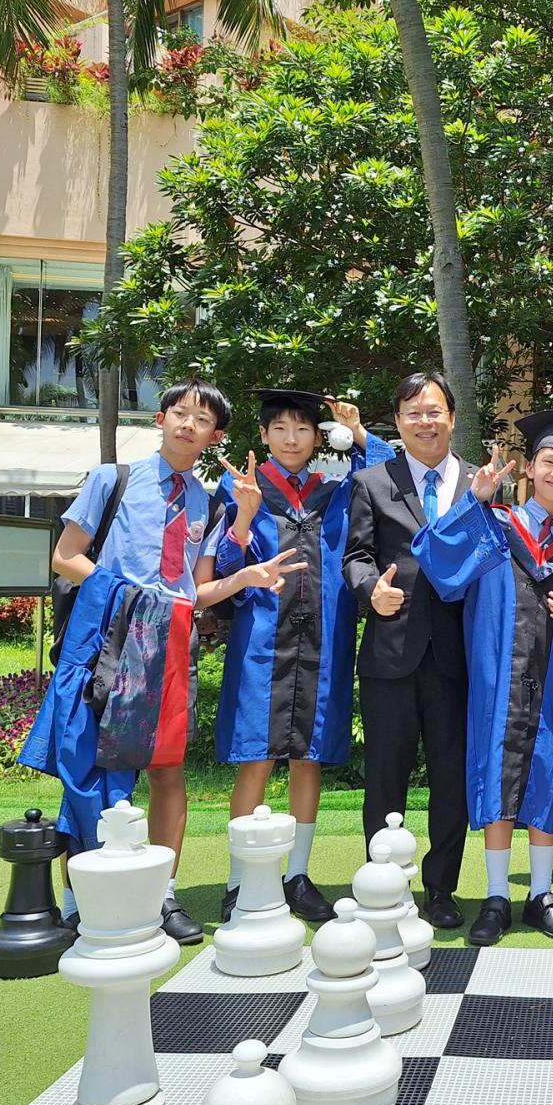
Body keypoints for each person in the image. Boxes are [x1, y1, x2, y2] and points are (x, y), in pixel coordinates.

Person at [21, 380, 306, 945]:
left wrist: (246, 577)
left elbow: (195, 593)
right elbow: (65, 556)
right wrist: (132, 598)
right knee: (90, 769)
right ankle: (83, 899)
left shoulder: (207, 502)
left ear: (215, 437)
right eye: (179, 413)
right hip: (109, 638)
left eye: (202, 420)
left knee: (167, 770)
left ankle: (161, 895)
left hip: (171, 643)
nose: (187, 425)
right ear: (160, 419)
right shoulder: (113, 479)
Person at [413, 411, 553, 945]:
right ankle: (497, 896)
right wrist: (473, 499)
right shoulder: (494, 527)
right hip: (496, 680)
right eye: (548, 461)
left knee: (549, 771)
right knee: (496, 775)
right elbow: (435, 558)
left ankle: (540, 894)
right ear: (529, 468)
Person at [203, 389, 393, 924]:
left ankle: (297, 876)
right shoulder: (239, 487)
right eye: (280, 428)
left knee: (310, 756)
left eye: (303, 429)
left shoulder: (336, 491)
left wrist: (358, 431)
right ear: (263, 435)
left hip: (324, 641)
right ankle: (241, 880)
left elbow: (387, 476)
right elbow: (223, 571)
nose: (291, 438)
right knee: (257, 758)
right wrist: (244, 517)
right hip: (263, 641)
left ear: (317, 438)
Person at [343, 371, 478, 931]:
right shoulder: (372, 481)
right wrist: (370, 590)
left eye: (434, 411)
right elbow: (356, 556)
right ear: (397, 422)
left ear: (452, 417)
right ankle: (384, 885)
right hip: (390, 652)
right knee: (385, 775)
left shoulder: (479, 483)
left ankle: (441, 888)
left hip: (458, 656)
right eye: (413, 413)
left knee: (452, 779)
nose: (425, 422)